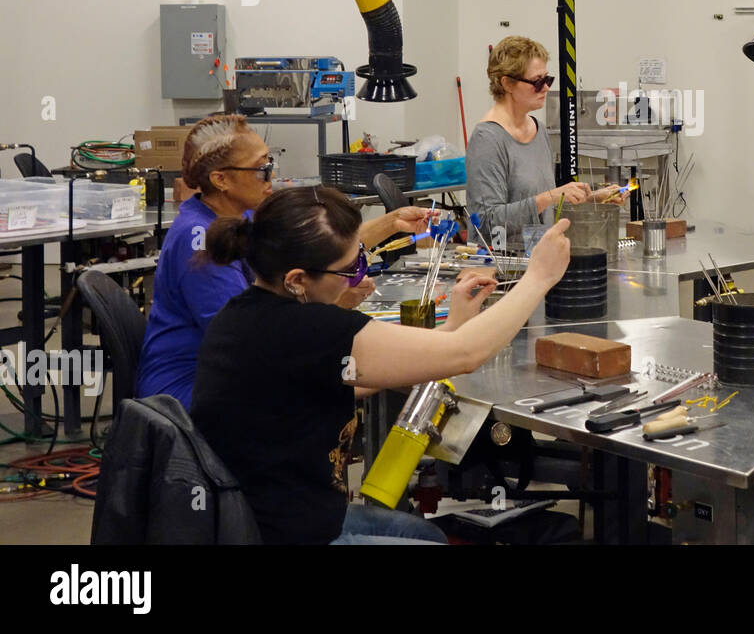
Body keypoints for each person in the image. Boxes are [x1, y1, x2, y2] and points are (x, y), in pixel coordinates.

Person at [190, 186, 573, 545]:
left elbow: (346, 379)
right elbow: (466, 354)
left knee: (429, 536)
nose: (361, 277)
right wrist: (539, 277)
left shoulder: (246, 313)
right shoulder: (307, 329)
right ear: (297, 280)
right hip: (283, 533)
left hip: (279, 513)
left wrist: (452, 326)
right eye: (350, 269)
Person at [137, 115, 432, 410]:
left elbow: (324, 248)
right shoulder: (198, 241)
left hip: (234, 374)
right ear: (221, 179)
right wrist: (338, 308)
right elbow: (251, 343)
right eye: (262, 169)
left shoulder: (243, 217)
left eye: (271, 165)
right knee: (344, 380)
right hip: (190, 393)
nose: (272, 177)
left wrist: (393, 223)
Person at [468, 36, 621, 241]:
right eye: (538, 81)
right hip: (501, 265)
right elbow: (487, 221)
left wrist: (592, 198)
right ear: (507, 84)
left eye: (547, 79)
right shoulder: (488, 139)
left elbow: (543, 205)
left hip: (538, 258)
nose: (546, 88)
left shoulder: (538, 129)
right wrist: (550, 196)